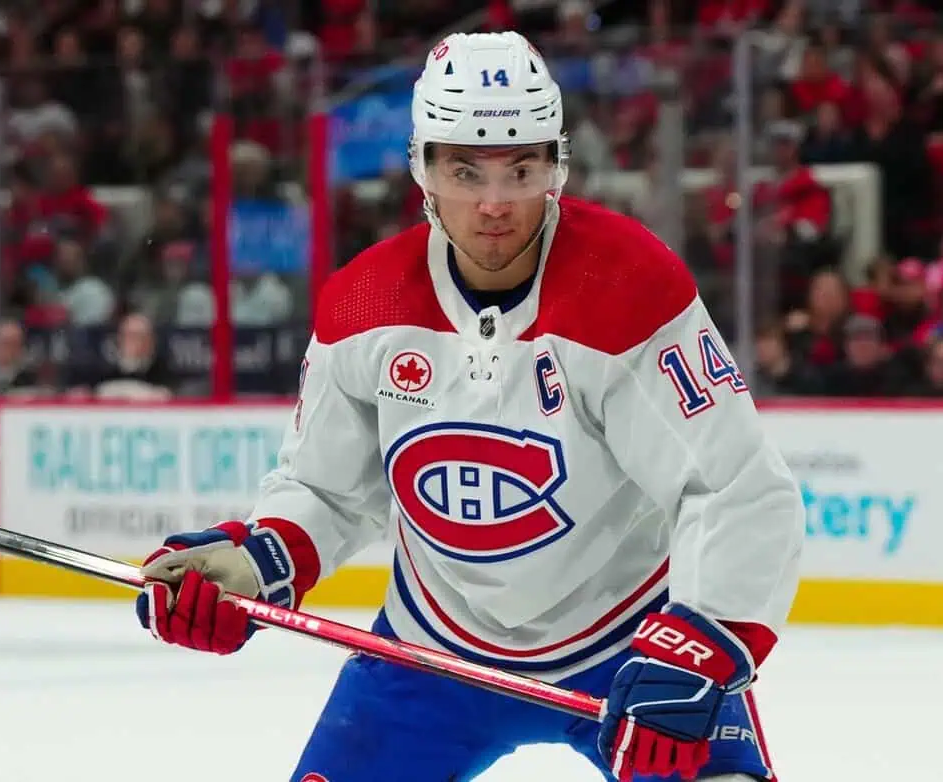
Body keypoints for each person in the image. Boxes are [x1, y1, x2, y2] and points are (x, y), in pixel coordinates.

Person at [134, 32, 804, 782]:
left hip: (629, 652)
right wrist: (257, 563)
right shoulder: (363, 303)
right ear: (422, 168)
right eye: (465, 170)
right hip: (431, 653)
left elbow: (733, 485)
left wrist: (700, 645)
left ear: (556, 166)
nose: (493, 203)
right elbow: (327, 488)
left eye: (521, 169)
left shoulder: (628, 288)